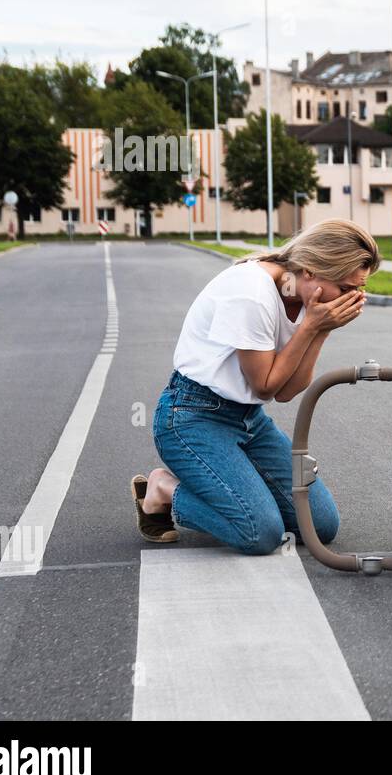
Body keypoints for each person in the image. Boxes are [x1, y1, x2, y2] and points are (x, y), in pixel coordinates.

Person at [130, 219, 379, 554]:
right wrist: (311, 327)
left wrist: (321, 329)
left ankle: (239, 492)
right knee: (259, 532)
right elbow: (264, 386)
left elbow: (287, 391)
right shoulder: (252, 293)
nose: (351, 299)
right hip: (192, 418)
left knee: (320, 525)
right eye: (346, 289)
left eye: (358, 290)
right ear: (310, 271)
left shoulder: (306, 303)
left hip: (249, 420)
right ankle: (162, 489)